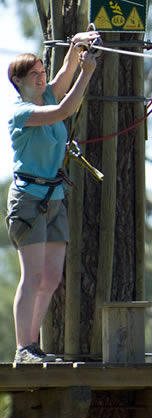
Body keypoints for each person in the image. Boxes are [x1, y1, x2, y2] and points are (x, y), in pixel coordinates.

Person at [7, 31, 99, 363]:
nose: (41, 75)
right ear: (18, 82)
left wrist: (76, 47)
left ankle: (34, 346)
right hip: (29, 200)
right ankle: (24, 348)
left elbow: (62, 76)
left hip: (54, 197)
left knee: (50, 277)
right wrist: (87, 73)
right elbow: (64, 110)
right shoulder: (22, 114)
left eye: (41, 71)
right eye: (34, 73)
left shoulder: (45, 96)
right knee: (32, 275)